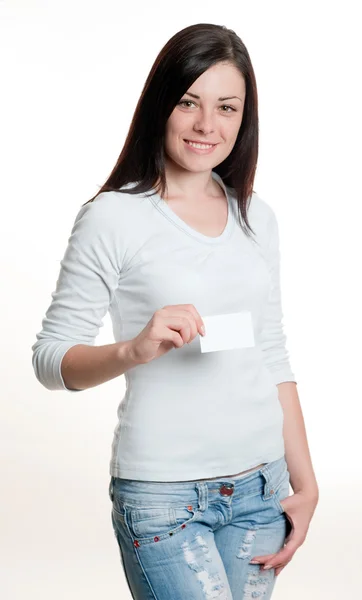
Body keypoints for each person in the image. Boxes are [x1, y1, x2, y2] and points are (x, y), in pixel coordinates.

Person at [32, 22, 318, 600]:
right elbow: (50, 360)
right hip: (165, 499)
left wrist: (305, 483)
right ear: (161, 104)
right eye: (189, 102)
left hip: (261, 487)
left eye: (227, 107)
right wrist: (133, 349)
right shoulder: (113, 217)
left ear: (244, 119)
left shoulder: (256, 216)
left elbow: (271, 351)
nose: (207, 125)